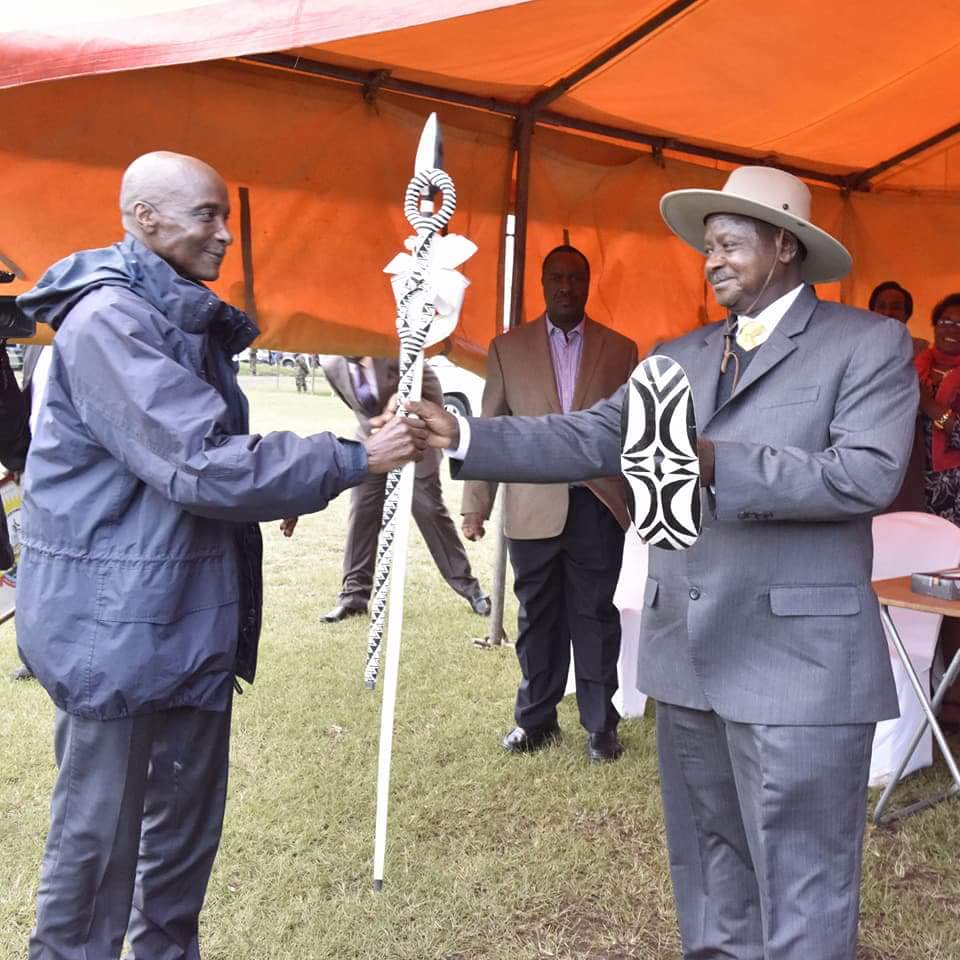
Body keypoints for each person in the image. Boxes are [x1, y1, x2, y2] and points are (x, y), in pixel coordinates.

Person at [406, 167, 917, 960]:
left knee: (804, 888)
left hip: (801, 668)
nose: (712, 261)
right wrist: (466, 435)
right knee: (711, 877)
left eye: (730, 244)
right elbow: (588, 435)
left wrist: (713, 459)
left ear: (786, 246)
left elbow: (864, 474)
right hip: (688, 656)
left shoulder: (867, 344)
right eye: (708, 247)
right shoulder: (676, 357)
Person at [14, 150, 426, 959]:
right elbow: (199, 462)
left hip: (179, 617)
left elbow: (203, 458)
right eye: (207, 214)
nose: (226, 234)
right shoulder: (110, 321)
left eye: (226, 216)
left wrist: (270, 489)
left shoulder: (173, 314)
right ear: (144, 218)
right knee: (95, 858)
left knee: (180, 849)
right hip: (117, 629)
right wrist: (350, 458)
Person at [461, 246, 637, 762]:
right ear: (542, 283)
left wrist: (642, 505)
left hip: (597, 504)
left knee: (596, 616)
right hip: (531, 506)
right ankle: (535, 721)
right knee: (537, 616)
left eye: (575, 277)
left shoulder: (621, 350)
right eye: (556, 277)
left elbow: (635, 434)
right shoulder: (507, 349)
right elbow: (491, 427)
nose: (565, 286)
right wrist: (476, 505)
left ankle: (601, 727)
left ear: (588, 283)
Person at [290, 355, 489, 622]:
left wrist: (405, 414)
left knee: (430, 513)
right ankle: (353, 598)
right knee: (361, 515)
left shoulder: (399, 352)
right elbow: (360, 411)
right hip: (371, 448)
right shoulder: (332, 366)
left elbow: (432, 393)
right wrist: (375, 432)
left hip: (415, 446)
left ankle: (471, 589)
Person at [869, 279, 927, 356]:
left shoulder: (921, 349)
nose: (888, 313)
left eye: (896, 307)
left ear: (906, 315)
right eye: (881, 306)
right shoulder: (859, 347)